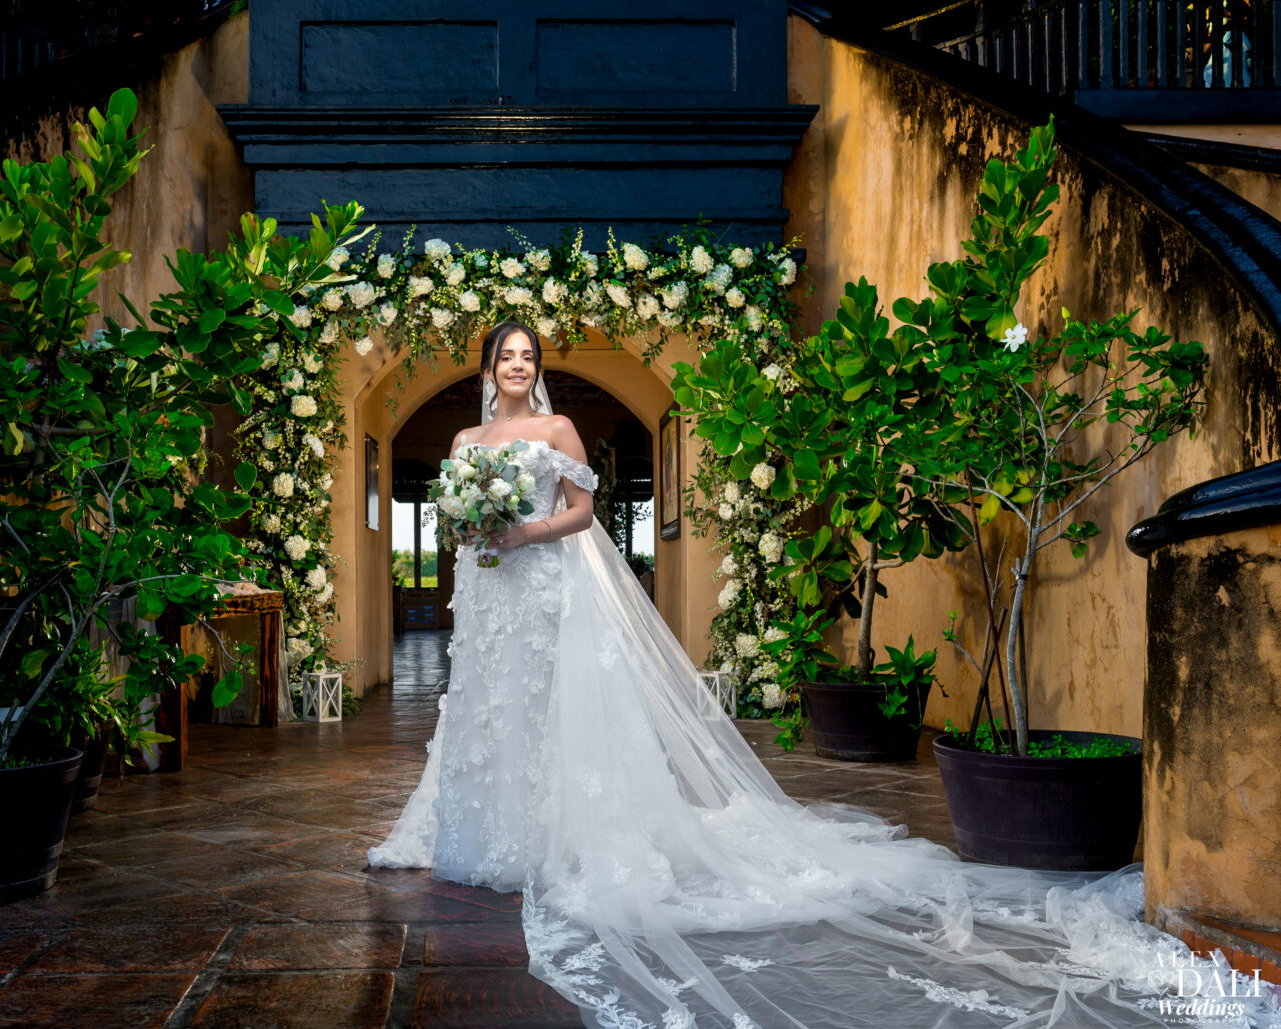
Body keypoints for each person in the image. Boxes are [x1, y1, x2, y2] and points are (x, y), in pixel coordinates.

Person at [369, 321, 1275, 1029]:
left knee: (554, 714)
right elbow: (457, 521)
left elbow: (579, 515)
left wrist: (521, 530)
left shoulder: (561, 427)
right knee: (490, 713)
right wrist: (478, 534)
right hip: (489, 599)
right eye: (508, 355)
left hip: (546, 587)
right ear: (489, 365)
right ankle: (490, 832)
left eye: (530, 354)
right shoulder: (462, 440)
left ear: (539, 366)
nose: (519, 365)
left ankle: (555, 835)